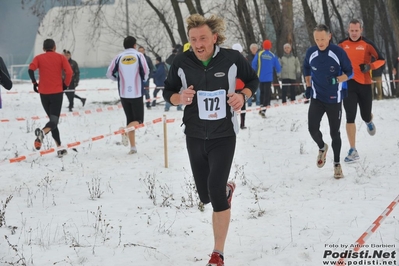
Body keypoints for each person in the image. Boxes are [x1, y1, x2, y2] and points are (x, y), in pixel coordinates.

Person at [163, 14, 259, 266]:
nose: (198, 43)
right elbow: (168, 91)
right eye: (193, 39)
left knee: (214, 192)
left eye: (203, 38)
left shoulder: (232, 59)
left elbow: (253, 80)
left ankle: (218, 253)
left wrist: (243, 95)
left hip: (224, 134)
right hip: (194, 134)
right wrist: (179, 98)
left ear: (214, 37)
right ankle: (226, 191)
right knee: (205, 195)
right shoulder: (181, 62)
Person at [303, 24, 353, 179]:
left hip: (334, 99)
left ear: (329, 36)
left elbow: (350, 72)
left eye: (323, 39)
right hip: (317, 98)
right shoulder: (311, 52)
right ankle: (322, 147)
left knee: (334, 133)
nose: (320, 42)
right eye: (317, 39)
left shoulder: (337, 52)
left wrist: (337, 80)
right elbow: (306, 69)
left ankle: (337, 164)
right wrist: (309, 86)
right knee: (312, 129)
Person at [338, 18, 385, 162]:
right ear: (348, 30)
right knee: (350, 116)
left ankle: (368, 120)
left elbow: (381, 59)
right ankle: (353, 150)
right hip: (348, 84)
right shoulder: (341, 45)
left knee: (365, 115)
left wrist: (369, 66)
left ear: (361, 30)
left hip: (364, 84)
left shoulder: (367, 44)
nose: (353, 33)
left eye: (356, 30)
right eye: (351, 30)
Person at [28, 39, 73, 157]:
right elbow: (69, 72)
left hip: (43, 93)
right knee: (53, 121)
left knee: (52, 121)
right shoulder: (61, 57)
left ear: (43, 49)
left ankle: (60, 148)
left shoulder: (38, 58)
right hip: (57, 92)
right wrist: (65, 84)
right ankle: (42, 133)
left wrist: (34, 83)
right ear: (55, 47)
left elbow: (30, 69)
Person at [106, 36, 149, 154]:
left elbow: (109, 73)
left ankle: (133, 147)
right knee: (139, 121)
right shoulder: (139, 56)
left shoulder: (119, 57)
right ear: (135, 45)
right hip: (136, 92)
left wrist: (117, 79)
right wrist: (143, 80)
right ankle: (124, 130)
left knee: (130, 120)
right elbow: (146, 72)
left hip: (123, 93)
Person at [252, 39, 281, 118]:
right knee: (267, 94)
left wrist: (253, 71)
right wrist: (278, 71)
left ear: (263, 46)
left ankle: (262, 106)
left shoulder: (259, 54)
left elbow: (254, 64)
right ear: (270, 46)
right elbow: (278, 67)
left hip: (260, 77)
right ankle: (263, 109)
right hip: (268, 78)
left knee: (262, 92)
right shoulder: (272, 55)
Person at [232, 43, 247, 129]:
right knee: (243, 106)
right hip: (242, 85)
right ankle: (242, 124)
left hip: (233, 86)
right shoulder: (244, 60)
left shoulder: (228, 60)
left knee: (232, 106)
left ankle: (233, 124)